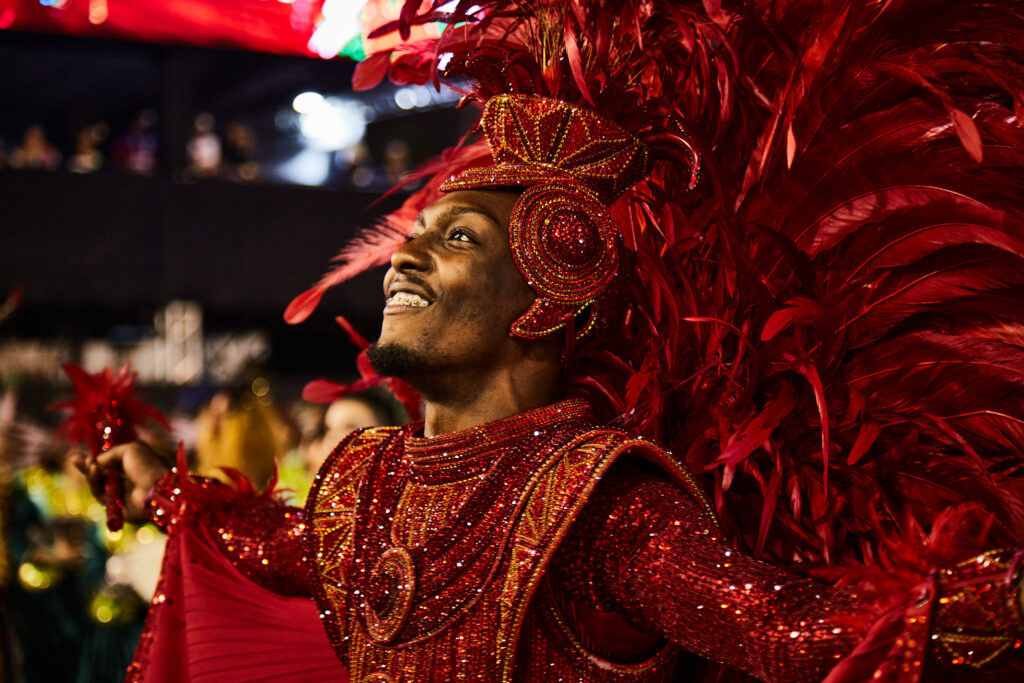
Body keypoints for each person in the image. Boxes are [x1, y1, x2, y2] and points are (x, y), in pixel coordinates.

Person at [75, 1, 1024, 681]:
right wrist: (165, 480)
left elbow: (786, 634)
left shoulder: (604, 506)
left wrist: (977, 606)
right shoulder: (367, 487)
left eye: (455, 243)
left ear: (544, 299)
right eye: (413, 241)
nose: (401, 266)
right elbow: (275, 544)